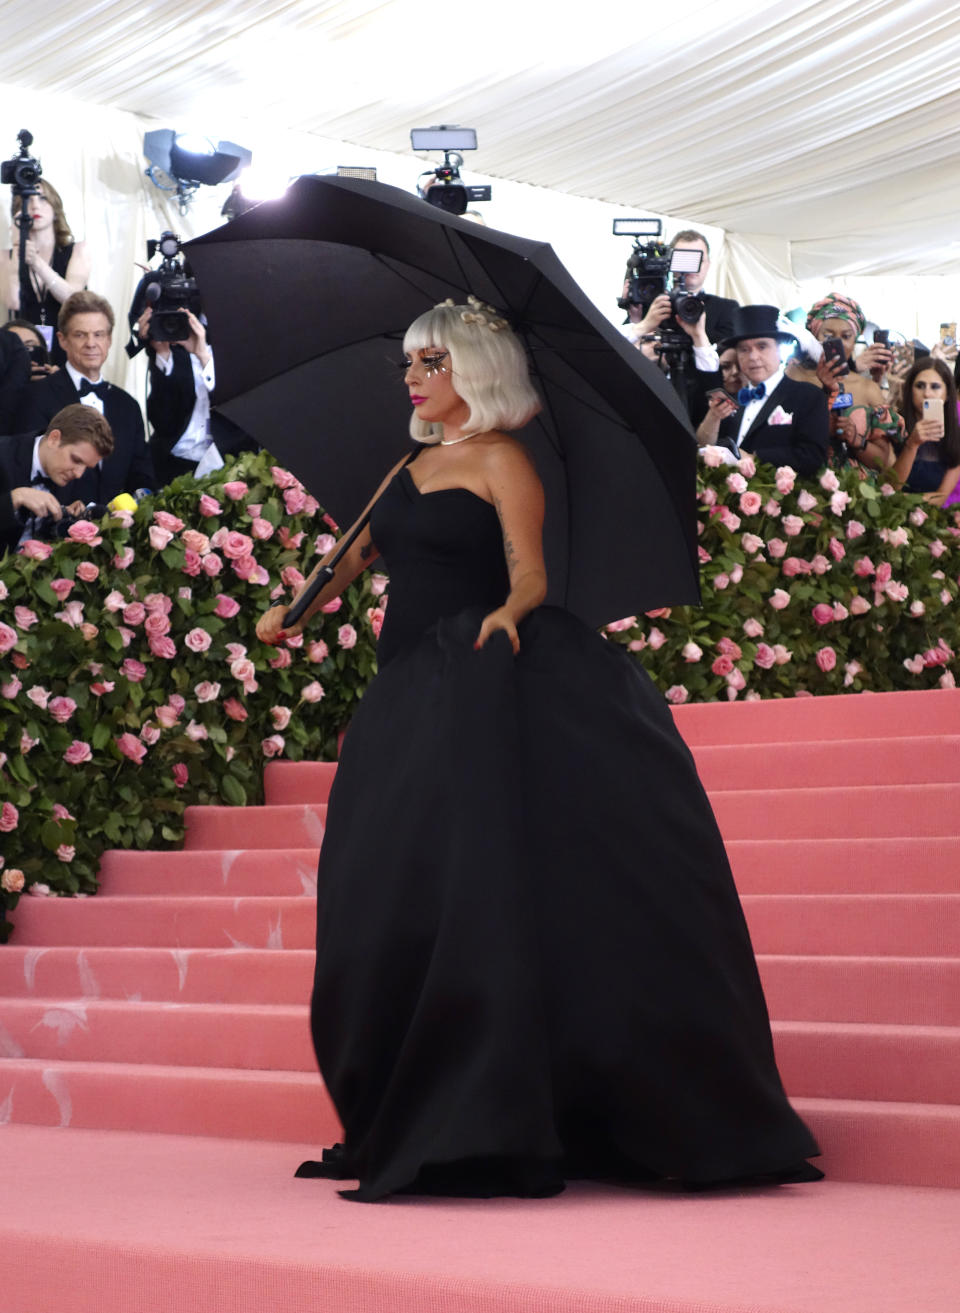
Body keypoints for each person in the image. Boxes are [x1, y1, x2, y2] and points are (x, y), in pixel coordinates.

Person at [255, 298, 821, 1202]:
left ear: (473, 373)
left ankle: (502, 1100)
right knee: (388, 883)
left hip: (483, 678)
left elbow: (531, 572)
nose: (411, 376)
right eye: (409, 361)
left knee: (488, 882)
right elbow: (352, 555)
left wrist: (513, 613)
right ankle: (415, 1087)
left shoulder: (505, 459)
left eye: (430, 362)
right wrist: (296, 609)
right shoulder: (407, 463)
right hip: (405, 692)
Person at [13, 290, 154, 503]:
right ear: (63, 340)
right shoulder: (36, 396)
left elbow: (142, 476)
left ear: (109, 340)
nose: (91, 343)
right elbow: (24, 469)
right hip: (52, 528)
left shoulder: (128, 406)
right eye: (80, 334)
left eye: (98, 334)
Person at [697, 304, 829, 475]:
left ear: (780, 350)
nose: (753, 357)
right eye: (744, 349)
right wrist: (713, 418)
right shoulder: (731, 400)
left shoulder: (808, 396)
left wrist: (754, 458)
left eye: (762, 347)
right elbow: (705, 449)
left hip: (783, 497)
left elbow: (812, 457)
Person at [136, 305, 257, 487]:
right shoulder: (177, 327)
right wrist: (162, 354)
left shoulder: (248, 338)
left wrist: (203, 357)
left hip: (229, 465)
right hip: (174, 461)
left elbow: (246, 411)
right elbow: (162, 421)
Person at [787, 294, 900, 471]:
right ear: (814, 336)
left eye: (846, 336)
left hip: (857, 491)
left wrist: (856, 440)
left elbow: (884, 462)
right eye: (828, 335)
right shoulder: (793, 378)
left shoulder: (867, 388)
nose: (837, 343)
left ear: (855, 341)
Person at [0, 403, 112, 554]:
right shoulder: (4, 454)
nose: (79, 474)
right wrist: (14, 499)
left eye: (86, 467)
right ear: (54, 438)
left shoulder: (72, 478)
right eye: (76, 460)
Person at [1, 180, 91, 369]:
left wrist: (37, 263)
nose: (35, 206)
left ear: (54, 205)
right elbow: (13, 301)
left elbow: (72, 298)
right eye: (27, 200)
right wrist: (19, 243)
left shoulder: (77, 251)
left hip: (68, 347)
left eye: (42, 198)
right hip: (22, 351)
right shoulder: (5, 257)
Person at [891, 357, 960, 505]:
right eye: (920, 386)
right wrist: (912, 444)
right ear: (910, 390)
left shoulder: (955, 435)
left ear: (947, 394)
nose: (927, 394)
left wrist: (903, 500)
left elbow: (940, 497)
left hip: (931, 516)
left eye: (935, 387)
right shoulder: (895, 426)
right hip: (891, 515)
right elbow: (891, 487)